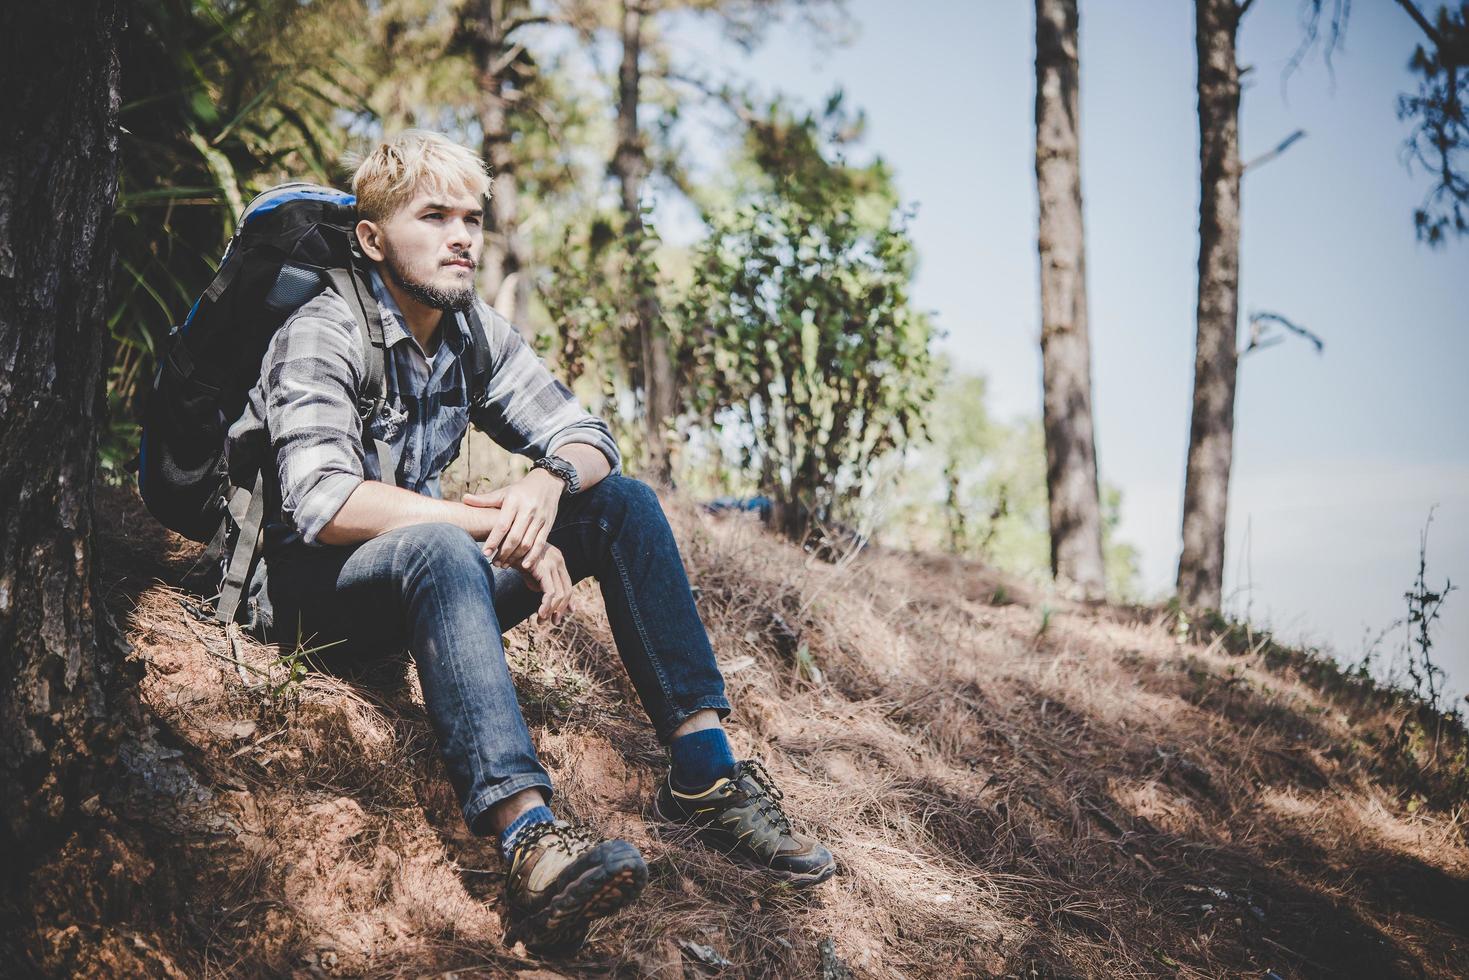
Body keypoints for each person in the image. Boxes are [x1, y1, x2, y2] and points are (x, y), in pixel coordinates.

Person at [227, 130, 836, 954]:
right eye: (433, 215)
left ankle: (704, 775)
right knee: (442, 548)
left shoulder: (467, 330)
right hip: (303, 600)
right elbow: (324, 503)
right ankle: (529, 841)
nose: (461, 238)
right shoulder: (323, 329)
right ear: (372, 240)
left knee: (616, 502)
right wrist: (498, 527)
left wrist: (544, 486)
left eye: (471, 218)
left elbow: (587, 435)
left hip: (420, 586)